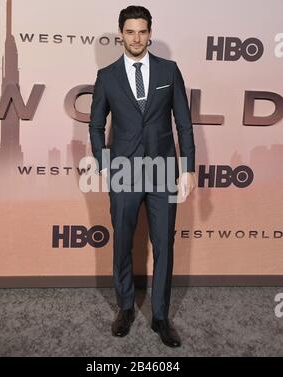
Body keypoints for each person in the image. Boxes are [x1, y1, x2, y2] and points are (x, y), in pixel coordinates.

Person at [89, 5, 196, 347]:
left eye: (142, 31)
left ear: (150, 33)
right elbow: (95, 125)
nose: (136, 37)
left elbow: (183, 122)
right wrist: (104, 165)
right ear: (120, 33)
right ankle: (125, 307)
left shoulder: (170, 70)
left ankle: (161, 317)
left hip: (163, 169)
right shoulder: (107, 76)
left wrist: (189, 167)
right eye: (130, 31)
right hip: (123, 169)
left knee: (164, 243)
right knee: (122, 241)